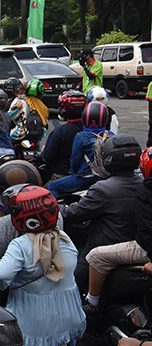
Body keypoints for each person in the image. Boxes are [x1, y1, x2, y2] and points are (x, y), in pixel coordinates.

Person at [0, 186, 86, 346]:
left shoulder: (21, 244)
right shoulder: (64, 238)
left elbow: (1, 275)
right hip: (70, 317)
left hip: (35, 323)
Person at [62, 134, 142, 289]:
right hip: (137, 247)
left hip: (107, 247)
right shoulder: (144, 183)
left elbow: (75, 214)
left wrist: (57, 209)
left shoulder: (103, 189)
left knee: (73, 285)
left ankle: (88, 307)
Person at [83, 145, 152, 313]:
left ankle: (92, 304)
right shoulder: (139, 185)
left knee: (95, 256)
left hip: (146, 248)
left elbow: (147, 232)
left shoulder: (146, 191)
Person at [47, 101, 112, 197]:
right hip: (107, 177)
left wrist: (73, 174)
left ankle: (61, 210)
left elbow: (75, 161)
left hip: (85, 177)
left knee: (52, 186)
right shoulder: (111, 135)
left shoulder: (81, 136)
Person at [36, 90, 85, 181]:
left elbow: (47, 157)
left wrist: (43, 151)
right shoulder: (88, 129)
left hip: (62, 176)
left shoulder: (60, 132)